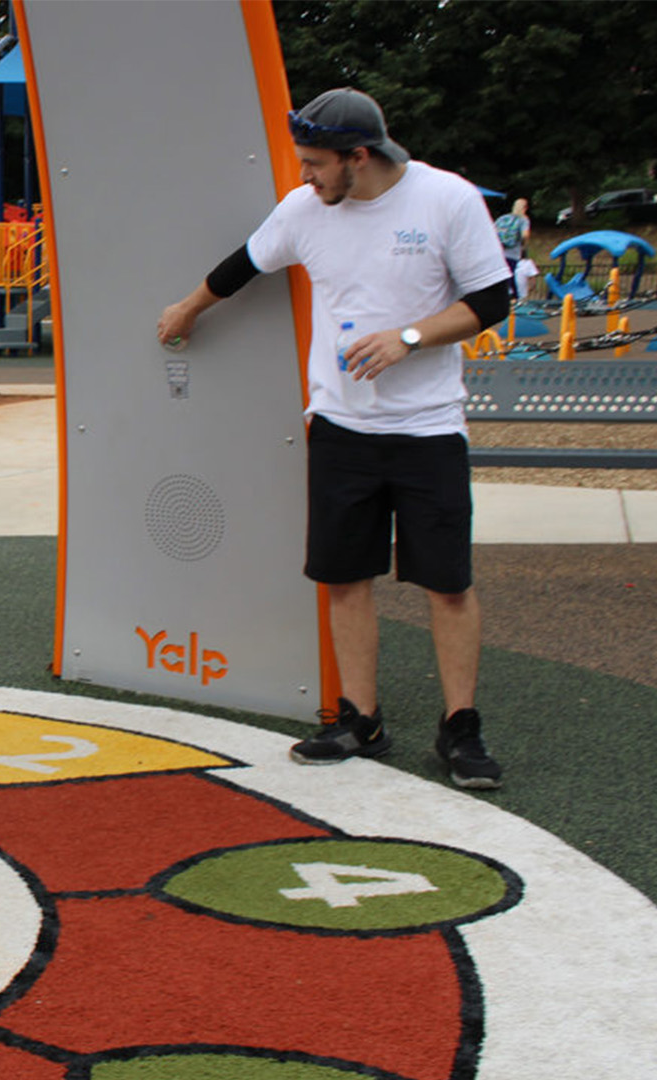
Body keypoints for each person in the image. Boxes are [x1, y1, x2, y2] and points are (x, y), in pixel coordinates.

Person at [154, 87, 512, 789]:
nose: (306, 177)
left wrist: (408, 338)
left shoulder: (447, 200)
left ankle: (460, 729)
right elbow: (244, 265)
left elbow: (493, 300)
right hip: (342, 429)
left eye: (317, 163)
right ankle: (361, 720)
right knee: (345, 578)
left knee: (447, 584)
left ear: (360, 156)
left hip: (428, 429)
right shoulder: (303, 210)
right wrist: (188, 308)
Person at [492, 198, 530, 299]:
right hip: (513, 253)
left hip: (499, 251)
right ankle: (515, 298)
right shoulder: (523, 220)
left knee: (501, 275)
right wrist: (523, 245)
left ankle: (500, 297)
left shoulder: (503, 218)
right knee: (512, 275)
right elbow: (525, 235)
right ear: (525, 208)